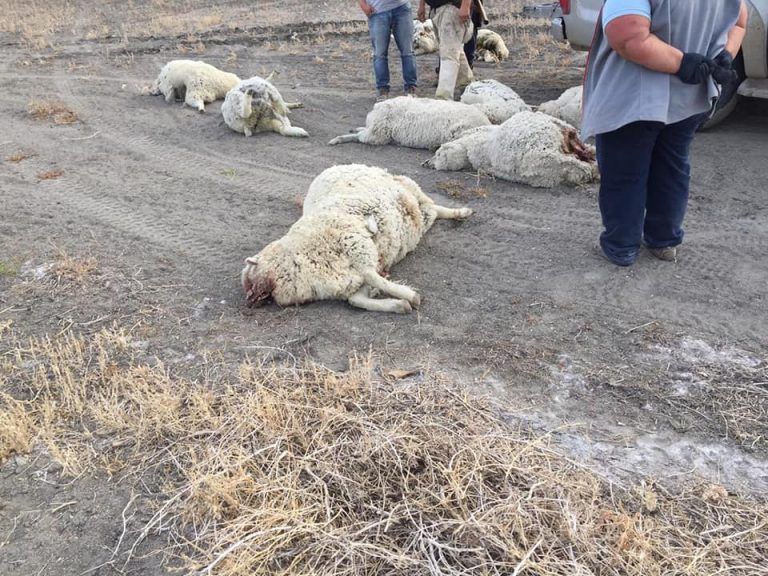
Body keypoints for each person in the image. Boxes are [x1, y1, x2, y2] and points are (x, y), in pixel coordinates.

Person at [581, 0, 748, 266]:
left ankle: (622, 245)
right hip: (689, 97)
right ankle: (664, 239)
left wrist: (682, 63)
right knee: (671, 166)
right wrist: (726, 54)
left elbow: (627, 37)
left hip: (635, 97)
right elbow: (739, 20)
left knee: (625, 172)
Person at [359, 0, 418, 101]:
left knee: (407, 51)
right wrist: (363, 5)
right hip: (377, 11)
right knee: (380, 54)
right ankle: (382, 89)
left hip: (402, 8)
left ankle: (411, 87)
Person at [418, 0, 474, 99]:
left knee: (449, 54)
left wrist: (465, 5)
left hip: (450, 8)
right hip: (437, 9)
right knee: (452, 50)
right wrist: (421, 5)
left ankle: (444, 96)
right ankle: (468, 86)